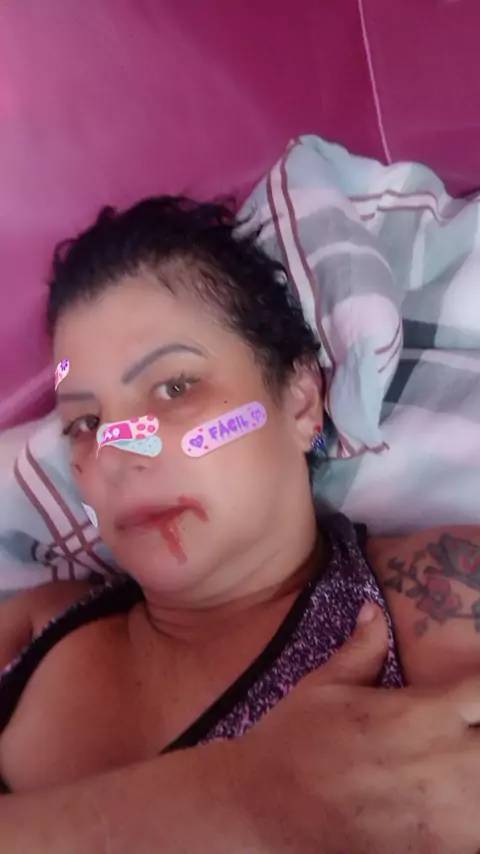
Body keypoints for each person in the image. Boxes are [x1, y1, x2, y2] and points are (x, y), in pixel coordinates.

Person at [1, 197, 480, 849]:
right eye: (85, 423)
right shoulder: (33, 629)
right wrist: (238, 799)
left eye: (174, 387)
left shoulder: (439, 595)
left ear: (301, 402)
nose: (116, 452)